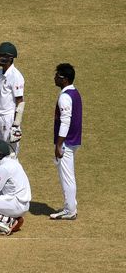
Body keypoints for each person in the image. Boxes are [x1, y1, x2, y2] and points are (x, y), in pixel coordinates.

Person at [50, 63, 82, 220]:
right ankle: (70, 205)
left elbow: (65, 122)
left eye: (57, 75)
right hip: (73, 141)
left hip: (66, 143)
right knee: (68, 176)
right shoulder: (75, 93)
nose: (55, 77)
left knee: (67, 177)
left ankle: (70, 210)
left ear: (65, 79)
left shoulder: (65, 97)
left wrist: (58, 144)